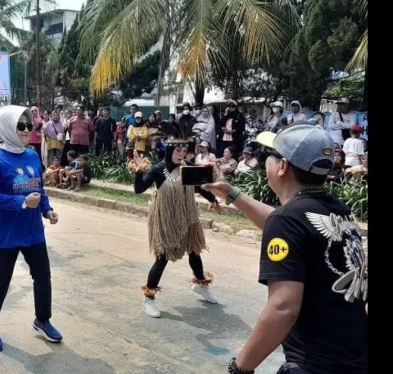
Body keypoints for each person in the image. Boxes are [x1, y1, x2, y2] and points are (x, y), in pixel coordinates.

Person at [202, 125, 367, 374]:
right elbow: (289, 224)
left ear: (282, 167)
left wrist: (240, 368)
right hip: (353, 356)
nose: (265, 160)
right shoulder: (337, 208)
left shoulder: (289, 220)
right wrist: (233, 194)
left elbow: (283, 308)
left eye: (270, 154)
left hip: (315, 364)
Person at [0, 105, 62, 351]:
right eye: (21, 126)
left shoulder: (32, 155)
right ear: (6, 128)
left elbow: (40, 188)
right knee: (1, 280)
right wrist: (21, 202)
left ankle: (42, 319)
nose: (27, 130)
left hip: (32, 231)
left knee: (43, 276)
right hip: (4, 234)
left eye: (30, 125)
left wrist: (46, 210)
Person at [130, 135, 225, 318]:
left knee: (194, 251)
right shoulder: (158, 169)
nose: (181, 154)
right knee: (162, 257)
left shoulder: (187, 165)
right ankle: (148, 298)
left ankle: (200, 285)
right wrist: (138, 171)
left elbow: (198, 186)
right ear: (169, 151)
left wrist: (213, 200)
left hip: (188, 216)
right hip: (166, 219)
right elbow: (139, 189)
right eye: (177, 151)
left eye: (184, 151)